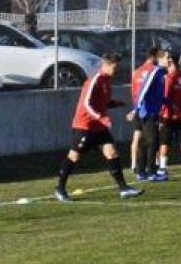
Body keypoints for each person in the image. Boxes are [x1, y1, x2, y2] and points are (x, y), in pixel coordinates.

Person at [54, 53, 143, 202]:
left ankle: (123, 189)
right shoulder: (95, 80)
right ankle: (60, 188)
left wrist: (114, 104)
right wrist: (101, 117)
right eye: (114, 67)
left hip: (99, 127)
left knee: (112, 153)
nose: (117, 71)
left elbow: (101, 102)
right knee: (74, 156)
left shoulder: (107, 81)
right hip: (84, 126)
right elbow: (87, 104)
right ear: (106, 65)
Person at [127, 47, 166, 182]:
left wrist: (167, 102)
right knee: (153, 141)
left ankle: (140, 171)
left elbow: (135, 91)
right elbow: (144, 90)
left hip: (140, 110)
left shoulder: (137, 71)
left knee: (143, 141)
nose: (167, 60)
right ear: (156, 57)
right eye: (164, 57)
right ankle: (151, 172)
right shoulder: (155, 71)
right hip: (147, 111)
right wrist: (136, 109)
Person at [155, 52, 181, 178]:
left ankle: (162, 167)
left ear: (171, 62)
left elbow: (165, 96)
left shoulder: (169, 78)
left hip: (168, 115)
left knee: (164, 141)